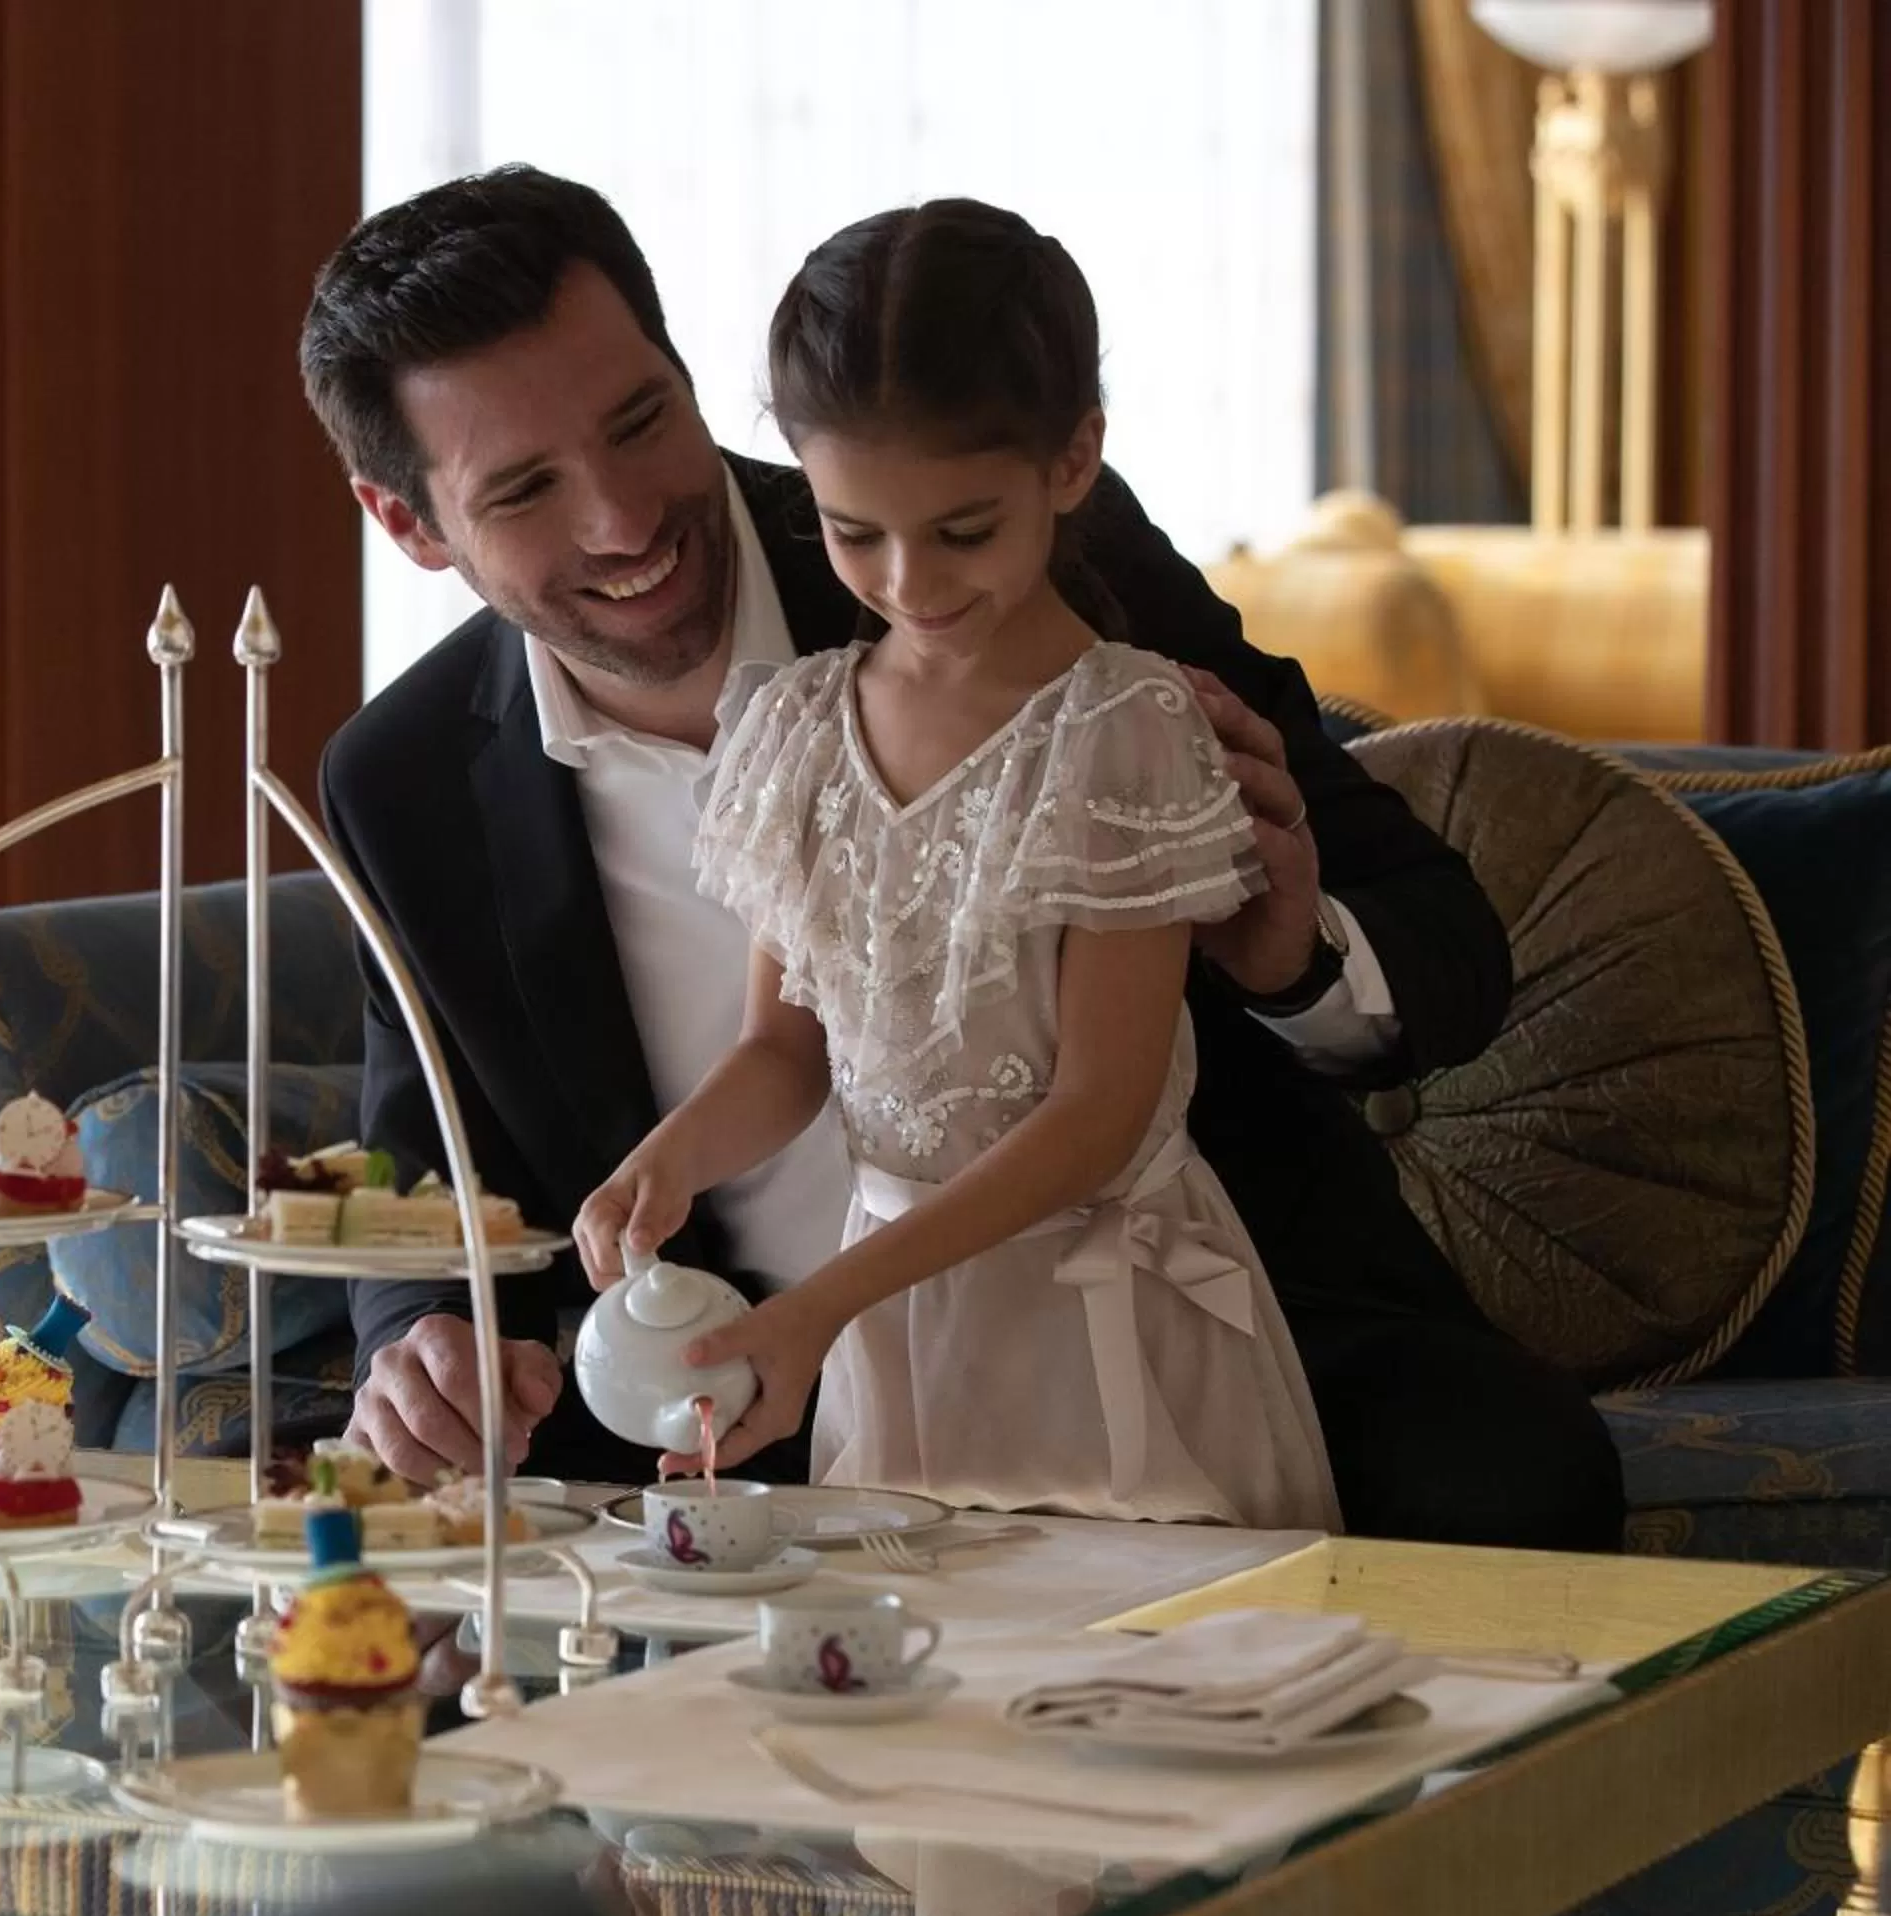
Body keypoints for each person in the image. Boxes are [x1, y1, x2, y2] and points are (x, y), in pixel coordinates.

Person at [298, 165, 1624, 1551]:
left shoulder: (1018, 530)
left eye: (643, 421)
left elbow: (1441, 939)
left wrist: (1287, 957)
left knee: (1516, 1477)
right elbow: (427, 1152)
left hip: (1171, 1313)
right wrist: (424, 1336)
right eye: (523, 488)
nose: (624, 520)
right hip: (738, 1398)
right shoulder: (401, 781)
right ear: (409, 523)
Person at [575, 198, 1336, 1528]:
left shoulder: (1127, 728)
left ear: (1074, 460)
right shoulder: (801, 727)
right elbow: (786, 1053)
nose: (910, 580)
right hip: (890, 1321)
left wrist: (821, 1306)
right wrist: (674, 1157)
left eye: (962, 530)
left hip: (1103, 1332)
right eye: (854, 531)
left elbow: (1099, 1118)